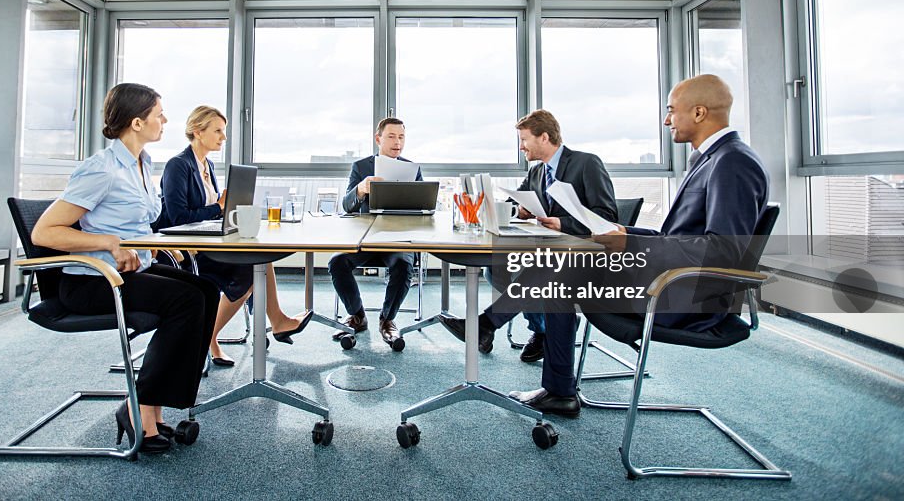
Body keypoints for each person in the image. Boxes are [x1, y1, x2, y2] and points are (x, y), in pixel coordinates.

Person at [508, 74, 769, 417]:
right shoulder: (710, 158)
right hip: (674, 280)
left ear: (700, 113)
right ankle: (555, 385)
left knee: (559, 277)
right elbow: (678, 238)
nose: (666, 120)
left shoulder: (732, 162)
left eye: (672, 111)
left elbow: (724, 251)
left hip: (687, 297)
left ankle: (554, 385)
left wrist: (628, 241)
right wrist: (623, 231)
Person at [32, 83, 220, 454]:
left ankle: (152, 406)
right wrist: (106, 242)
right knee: (184, 300)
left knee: (205, 290)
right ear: (137, 121)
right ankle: (141, 412)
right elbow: (46, 231)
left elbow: (139, 225)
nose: (165, 120)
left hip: (129, 272)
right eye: (158, 114)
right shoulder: (102, 169)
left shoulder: (142, 164)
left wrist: (165, 245)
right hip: (90, 283)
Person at [438, 109, 617, 362]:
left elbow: (607, 217)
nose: (521, 147)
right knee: (496, 269)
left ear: (544, 137)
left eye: (524, 140)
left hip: (585, 254)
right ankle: (543, 328)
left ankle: (487, 325)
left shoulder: (586, 163)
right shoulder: (536, 172)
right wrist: (517, 210)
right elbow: (515, 200)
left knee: (535, 271)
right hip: (550, 250)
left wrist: (563, 223)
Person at [159, 106, 312, 366]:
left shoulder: (205, 164)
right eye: (217, 130)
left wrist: (230, 212)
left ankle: (278, 321)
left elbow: (211, 214)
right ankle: (209, 335)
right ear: (198, 131)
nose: (223, 137)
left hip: (206, 243)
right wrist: (220, 206)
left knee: (260, 257)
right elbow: (178, 218)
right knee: (248, 268)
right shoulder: (178, 165)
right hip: (184, 252)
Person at [329, 117, 421, 351]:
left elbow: (424, 209)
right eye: (391, 136)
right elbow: (346, 205)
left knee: (403, 263)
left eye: (401, 137)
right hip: (366, 238)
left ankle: (387, 319)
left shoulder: (412, 168)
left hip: (397, 238)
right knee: (337, 262)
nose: (397, 142)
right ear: (378, 138)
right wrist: (360, 189)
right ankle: (357, 316)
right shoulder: (361, 167)